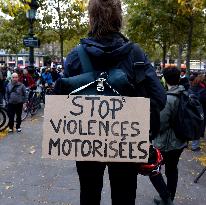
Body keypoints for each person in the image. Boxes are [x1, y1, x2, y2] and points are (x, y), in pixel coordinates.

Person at [57, 0, 166, 205]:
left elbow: (62, 102)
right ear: (119, 19)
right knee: (124, 195)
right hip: (127, 140)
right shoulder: (136, 54)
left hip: (86, 140)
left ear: (91, 19)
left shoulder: (75, 55)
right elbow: (159, 98)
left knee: (89, 193)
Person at [151, 67, 187, 205]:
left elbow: (160, 124)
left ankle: (166, 197)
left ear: (164, 79)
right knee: (172, 170)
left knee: (153, 168)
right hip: (180, 141)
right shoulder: (184, 93)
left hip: (166, 143)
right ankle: (169, 196)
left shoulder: (168, 99)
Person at [189, 74, 206, 151]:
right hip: (200, 110)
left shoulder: (191, 87)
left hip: (191, 109)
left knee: (191, 125)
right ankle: (194, 146)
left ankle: (186, 143)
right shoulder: (203, 89)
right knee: (198, 126)